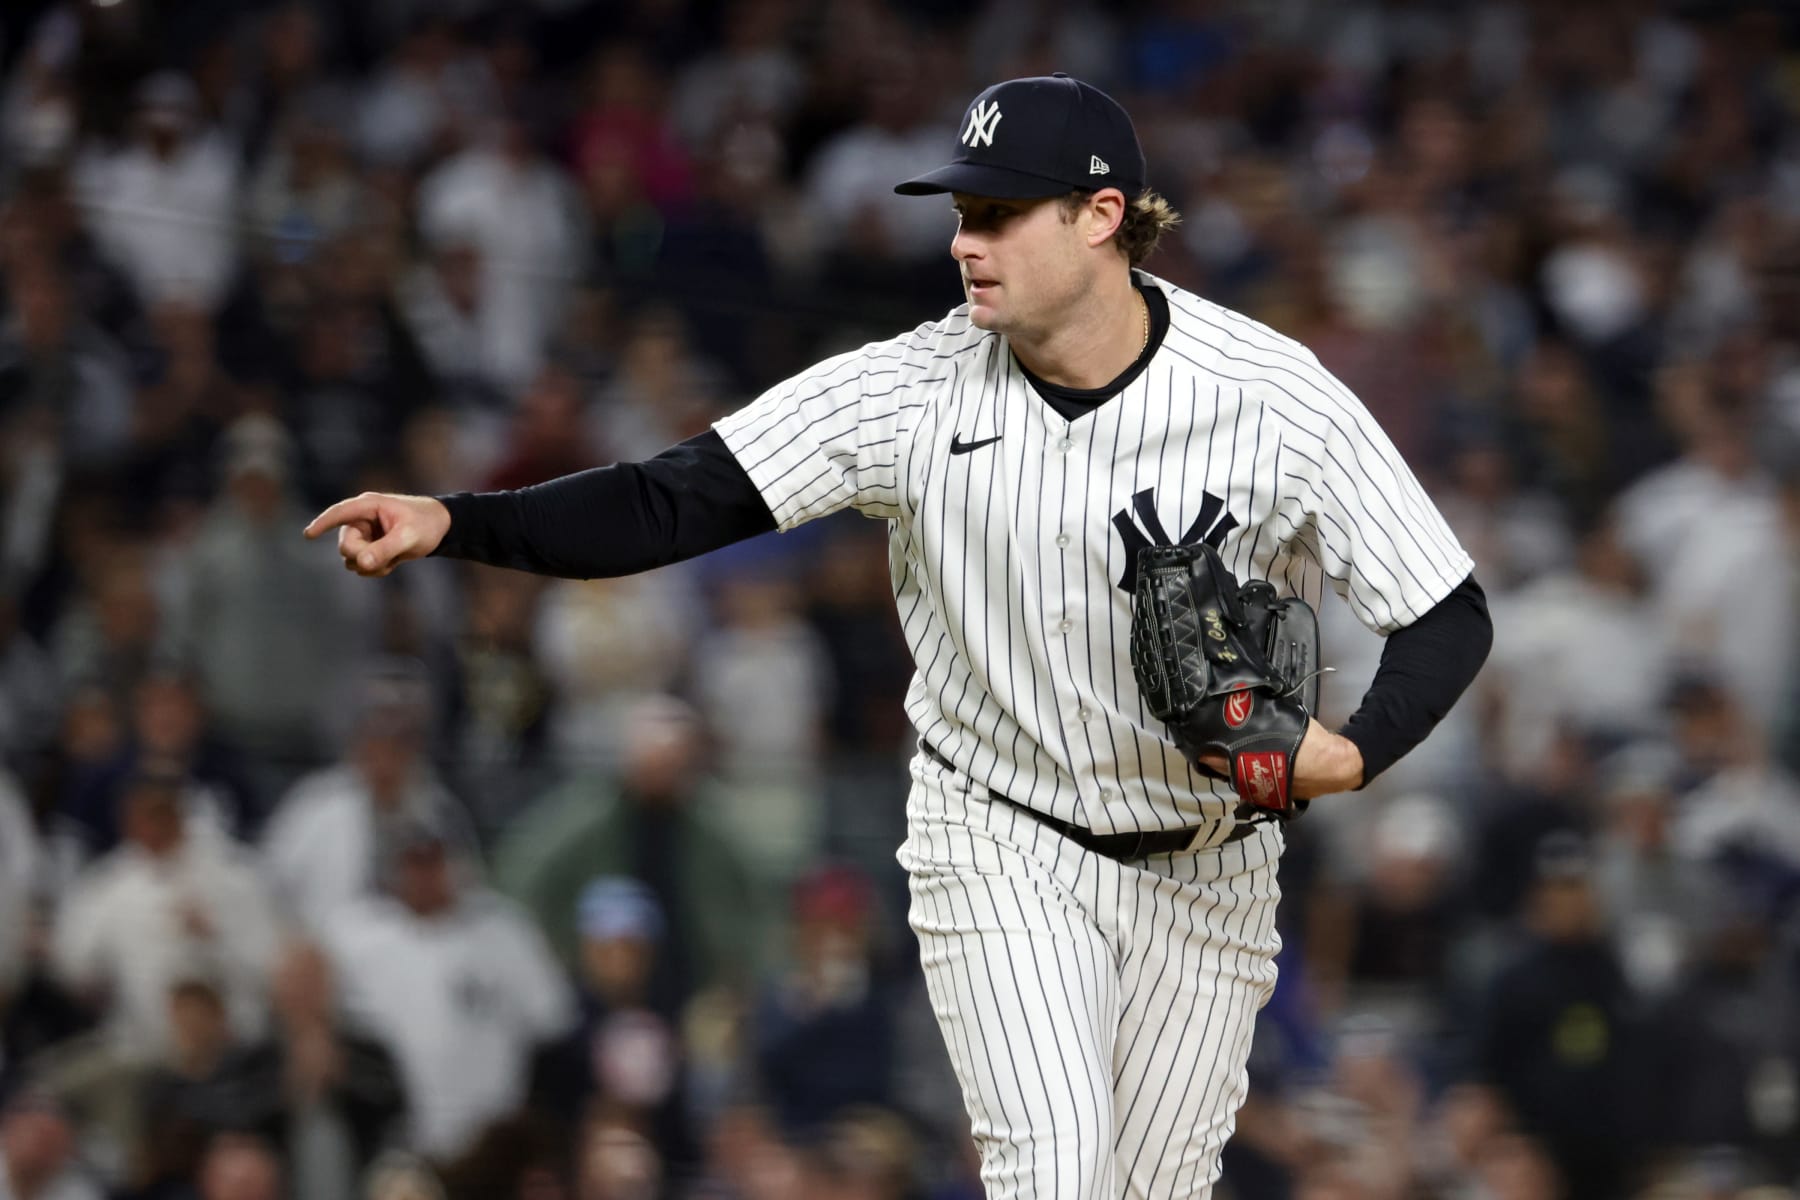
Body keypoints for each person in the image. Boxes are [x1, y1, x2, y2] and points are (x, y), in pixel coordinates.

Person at [308, 74, 1492, 1199]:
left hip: (1208, 867)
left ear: (1102, 217)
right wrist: (454, 520)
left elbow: (1446, 612)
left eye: (999, 212)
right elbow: (673, 498)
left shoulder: (1272, 397)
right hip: (1002, 834)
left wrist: (1354, 750)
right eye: (961, 212)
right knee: (1058, 1173)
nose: (965, 240)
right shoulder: (910, 392)